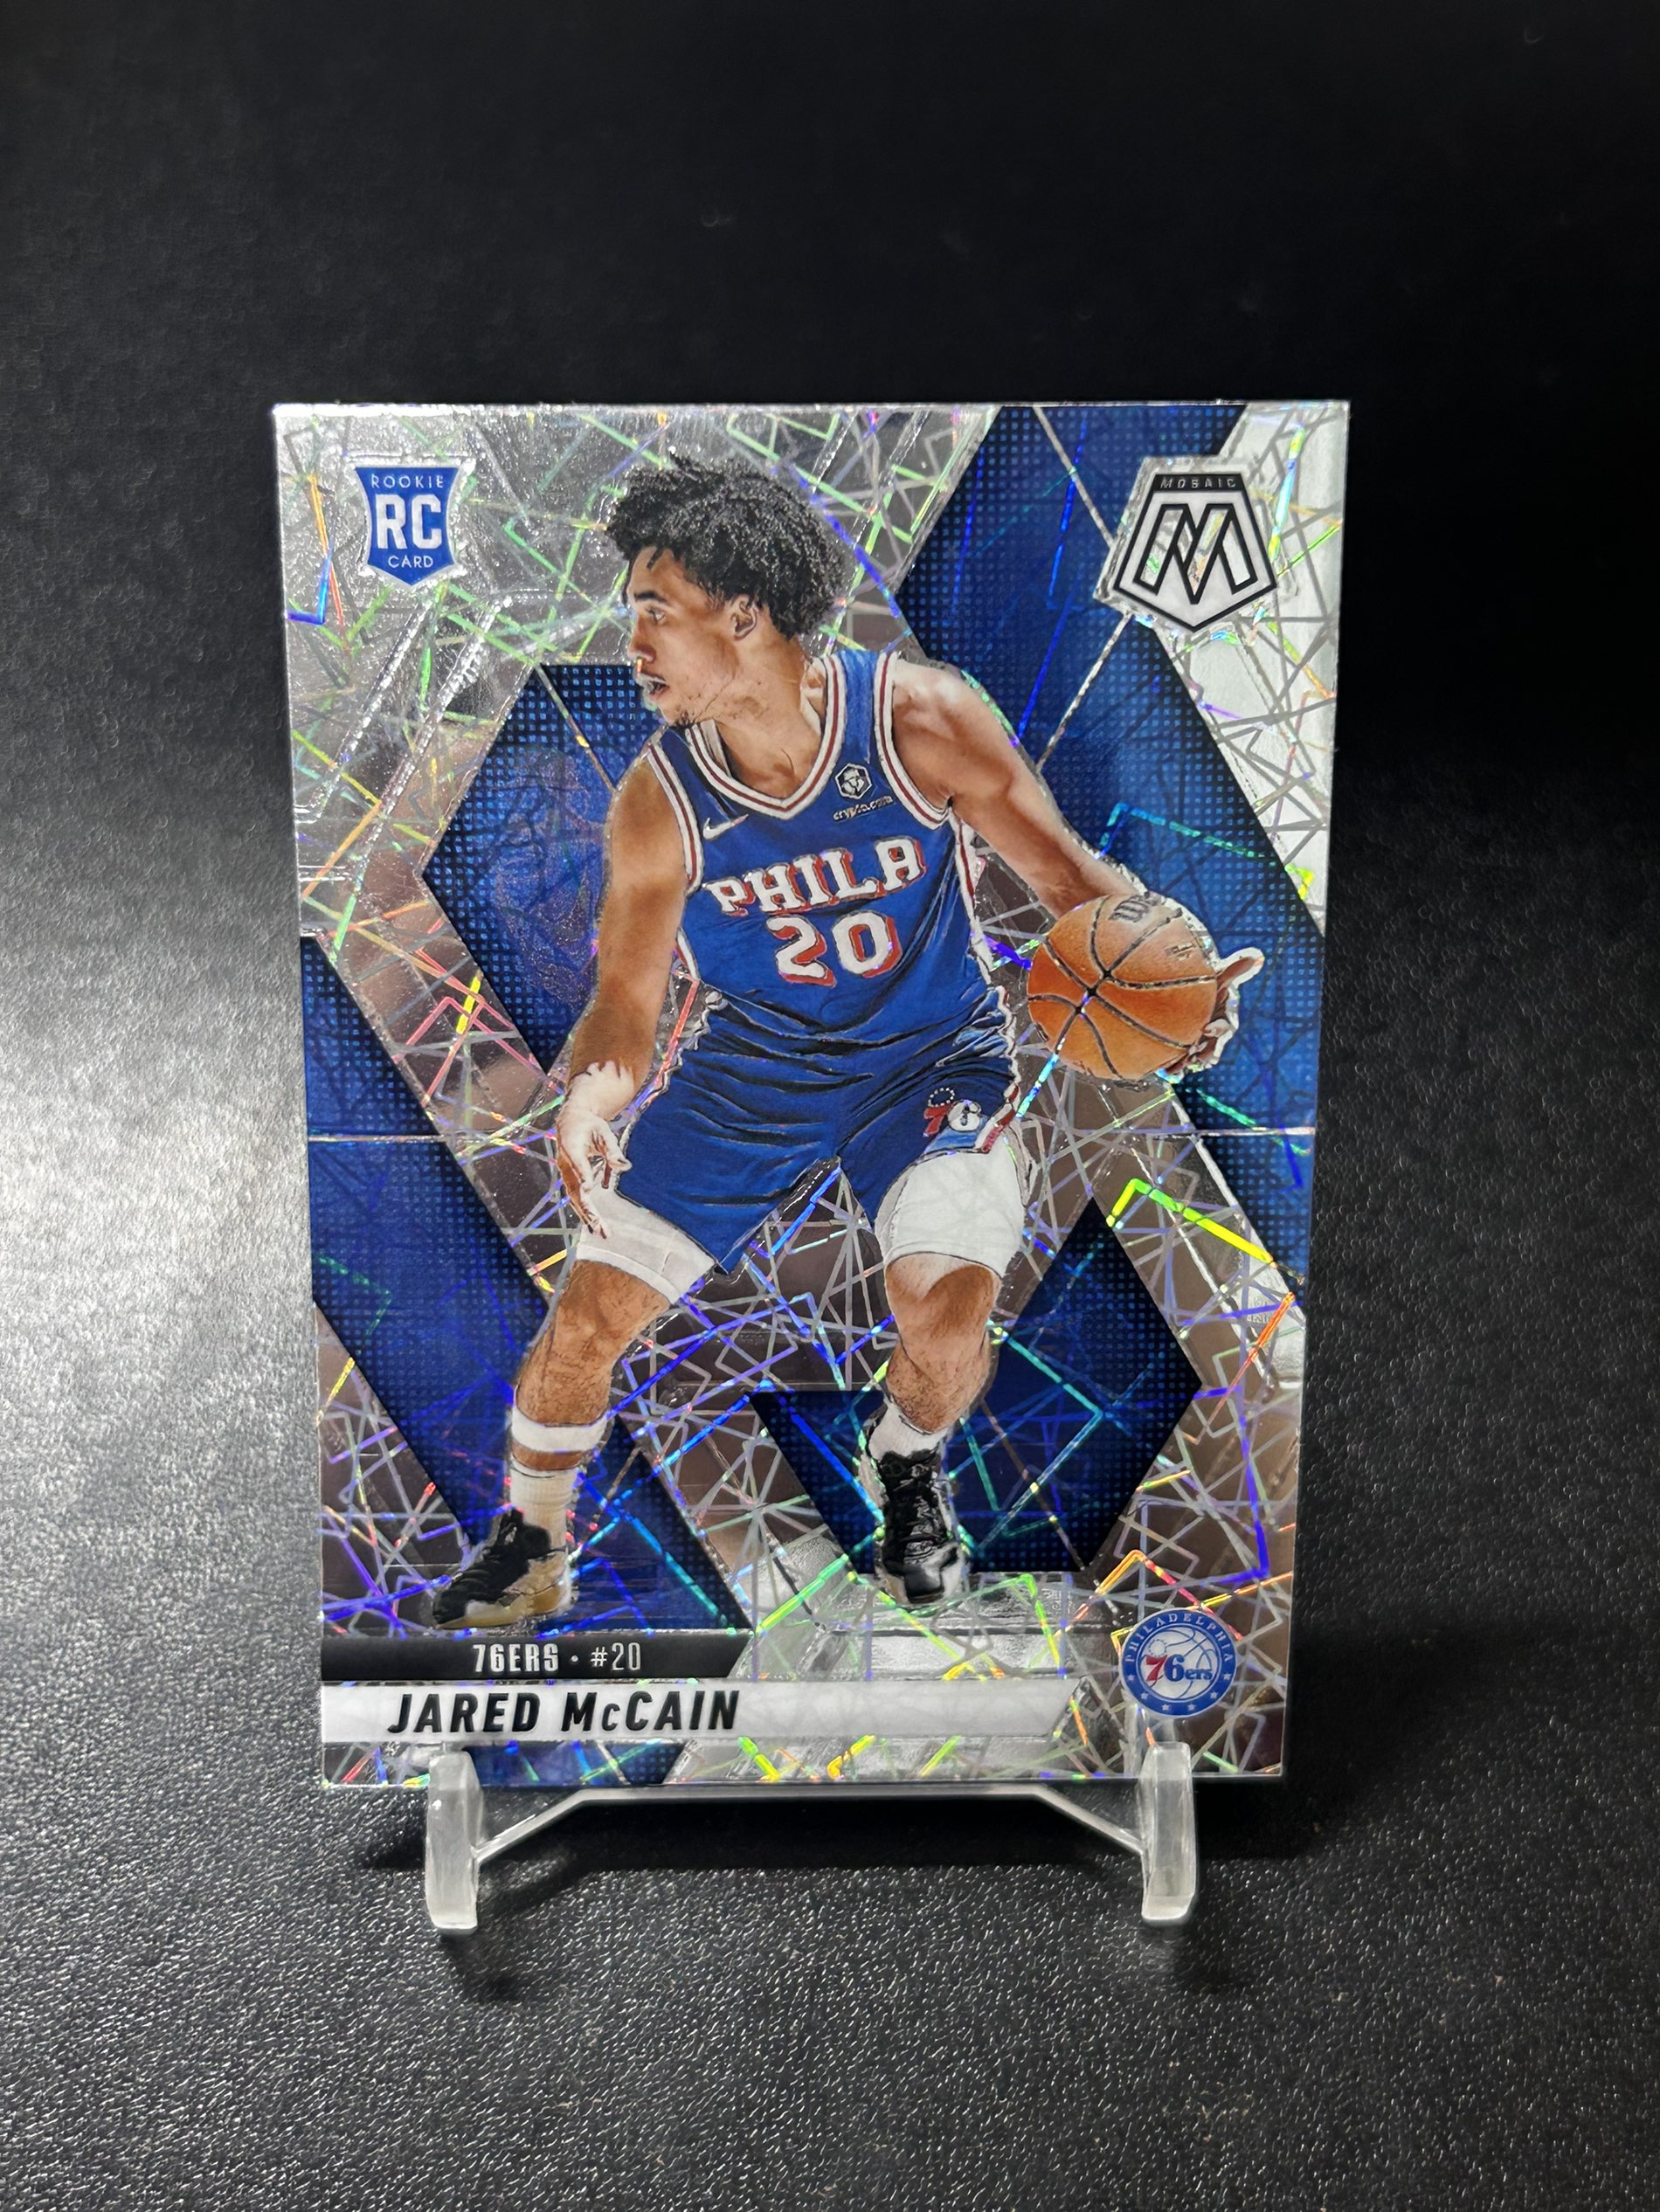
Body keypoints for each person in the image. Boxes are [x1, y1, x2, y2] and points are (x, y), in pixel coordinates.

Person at [430, 458, 1261, 1629]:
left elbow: (1073, 884)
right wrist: (588, 1102)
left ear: (744, 615)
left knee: (948, 1304)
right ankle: (529, 1541)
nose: (636, 644)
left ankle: (909, 1466)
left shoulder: (921, 721)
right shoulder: (659, 803)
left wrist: (1180, 989)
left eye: (656, 613)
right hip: (754, 1076)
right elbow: (626, 1003)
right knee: (586, 1321)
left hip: (932, 1061)